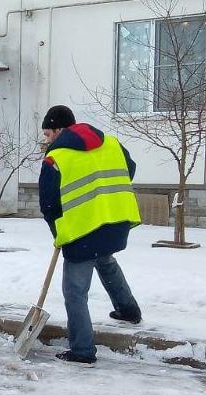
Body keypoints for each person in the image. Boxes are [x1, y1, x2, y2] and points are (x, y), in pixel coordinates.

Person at [38, 105, 143, 365]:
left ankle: (82, 350)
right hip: (113, 220)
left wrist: (59, 231)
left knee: (75, 291)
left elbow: (48, 203)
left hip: (82, 229)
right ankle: (128, 311)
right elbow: (129, 169)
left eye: (48, 133)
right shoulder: (111, 142)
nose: (46, 140)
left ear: (60, 129)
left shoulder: (57, 157)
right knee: (105, 260)